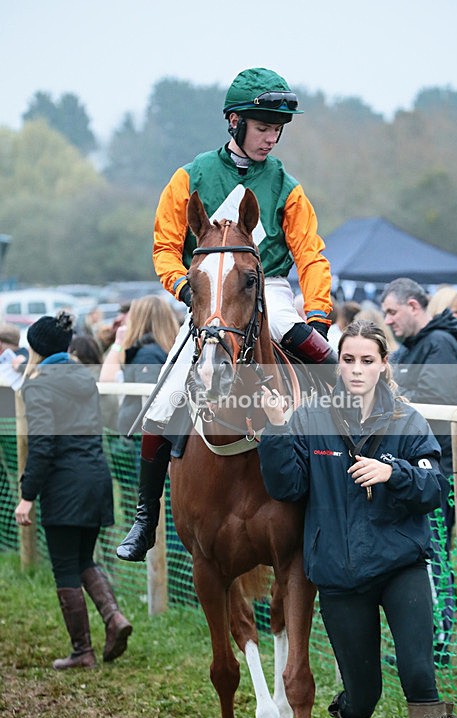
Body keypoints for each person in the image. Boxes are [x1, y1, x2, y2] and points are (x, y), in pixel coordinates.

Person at [117, 66, 336, 563]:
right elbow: (166, 247)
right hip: (207, 297)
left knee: (327, 357)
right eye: (262, 127)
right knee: (162, 401)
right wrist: (183, 286)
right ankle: (145, 516)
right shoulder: (189, 176)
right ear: (234, 122)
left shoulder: (286, 184)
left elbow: (311, 254)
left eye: (277, 129)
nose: (271, 138)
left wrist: (318, 314)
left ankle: (350, 477)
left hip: (269, 289)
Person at [258, 319, 452, 718]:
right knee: (362, 691)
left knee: (419, 673)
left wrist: (394, 472)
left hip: (399, 563)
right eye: (348, 360)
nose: (357, 370)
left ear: (384, 364)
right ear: (337, 363)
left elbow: (435, 487)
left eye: (368, 360)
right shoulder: (310, 418)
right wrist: (277, 430)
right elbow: (288, 487)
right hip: (340, 574)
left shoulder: (407, 421)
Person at [14, 312, 132, 670]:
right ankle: (114, 619)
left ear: (36, 349)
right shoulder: (84, 376)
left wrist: (27, 495)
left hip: (64, 488)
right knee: (84, 560)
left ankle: (83, 651)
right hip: (96, 480)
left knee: (66, 567)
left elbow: (44, 445)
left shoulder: (39, 385)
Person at [381, 277, 457, 665]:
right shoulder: (412, 347)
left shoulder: (440, 344)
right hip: (411, 467)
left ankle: (440, 646)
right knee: (421, 556)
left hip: (436, 468)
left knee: (435, 560)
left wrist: (392, 394)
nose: (388, 321)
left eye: (392, 312)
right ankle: (424, 642)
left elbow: (436, 399)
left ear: (414, 306)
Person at [99, 295, 179, 436]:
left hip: (140, 435)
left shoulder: (147, 354)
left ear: (138, 319)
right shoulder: (165, 350)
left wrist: (118, 342)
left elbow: (107, 380)